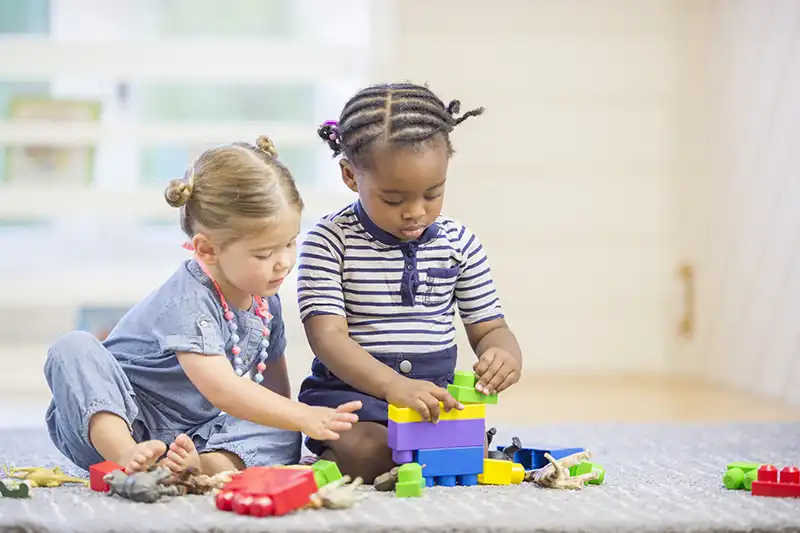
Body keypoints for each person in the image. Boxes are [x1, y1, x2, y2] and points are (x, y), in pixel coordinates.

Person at [44, 136, 361, 475]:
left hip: (188, 436)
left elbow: (274, 390)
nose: (283, 262)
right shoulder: (189, 300)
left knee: (282, 429)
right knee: (72, 346)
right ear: (207, 250)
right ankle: (128, 456)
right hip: (106, 421)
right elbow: (223, 389)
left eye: (289, 243)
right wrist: (304, 415)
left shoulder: (265, 298)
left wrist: (292, 419)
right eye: (264, 254)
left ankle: (197, 466)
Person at [296, 83, 523, 482]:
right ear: (350, 175)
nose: (416, 213)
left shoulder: (460, 243)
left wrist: (504, 354)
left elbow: (490, 328)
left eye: (432, 194)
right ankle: (334, 457)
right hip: (354, 395)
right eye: (394, 199)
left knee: (468, 454)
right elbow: (327, 337)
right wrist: (391, 386)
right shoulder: (330, 240)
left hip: (432, 398)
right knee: (370, 451)